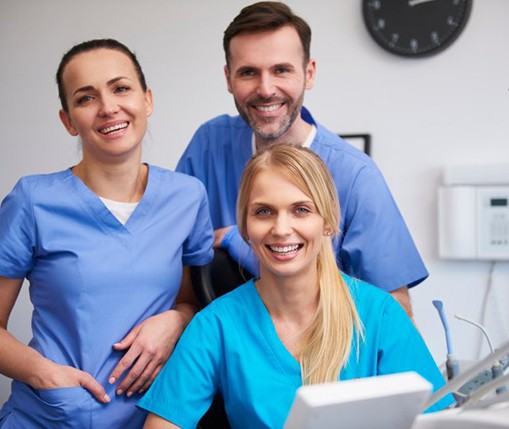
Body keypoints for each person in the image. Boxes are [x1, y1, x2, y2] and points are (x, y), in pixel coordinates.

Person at [138, 144, 453, 429]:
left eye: (301, 210)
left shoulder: (379, 316)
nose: (281, 228)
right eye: (264, 212)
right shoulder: (217, 324)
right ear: (246, 227)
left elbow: (437, 420)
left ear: (327, 221)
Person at [0, 39, 214, 428]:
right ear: (68, 120)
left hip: (154, 419)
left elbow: (191, 301)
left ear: (147, 100)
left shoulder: (187, 197)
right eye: (86, 98)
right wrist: (45, 376)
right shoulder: (32, 200)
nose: (108, 107)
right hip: (53, 417)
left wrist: (177, 321)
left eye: (121, 88)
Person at [176, 1, 427, 318]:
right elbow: (171, 257)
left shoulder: (355, 175)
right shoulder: (209, 145)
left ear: (309, 73)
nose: (266, 90)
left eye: (281, 70)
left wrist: (237, 242)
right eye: (249, 72)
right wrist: (177, 316)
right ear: (228, 78)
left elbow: (395, 312)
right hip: (226, 349)